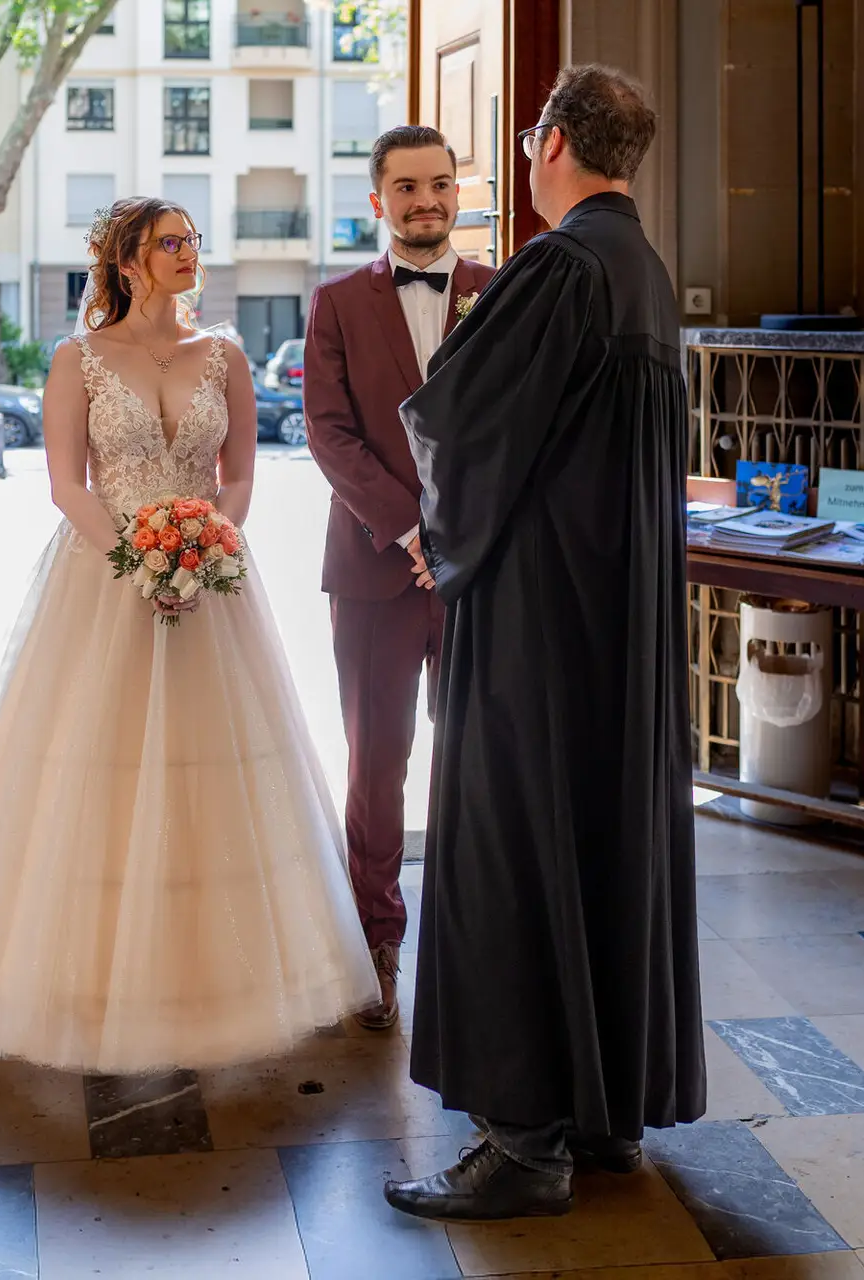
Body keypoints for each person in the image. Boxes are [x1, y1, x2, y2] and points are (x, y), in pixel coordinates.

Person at [0, 198, 377, 1072]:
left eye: (191, 241)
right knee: (97, 762)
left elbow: (238, 474)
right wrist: (144, 562)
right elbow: (68, 485)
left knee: (215, 766)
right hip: (105, 576)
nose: (187, 253)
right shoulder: (77, 359)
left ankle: (217, 967)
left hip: (211, 581)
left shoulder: (228, 356)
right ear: (126, 262)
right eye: (169, 243)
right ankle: (86, 967)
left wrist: (206, 548)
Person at [383, 65, 706, 1221]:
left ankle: (522, 1139)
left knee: (511, 843)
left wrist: (438, 533)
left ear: (557, 141)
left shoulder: (560, 265)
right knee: (600, 840)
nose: (525, 153)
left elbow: (463, 425)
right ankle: (601, 1111)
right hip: (616, 629)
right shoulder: (645, 271)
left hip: (536, 621)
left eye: (529, 135)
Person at [304, 125, 495, 1030]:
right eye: (407, 187)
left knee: (479, 761)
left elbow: (513, 427)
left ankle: (478, 948)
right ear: (377, 201)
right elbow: (329, 434)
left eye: (441, 184)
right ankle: (376, 941)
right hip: (374, 574)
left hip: (483, 576)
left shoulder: (502, 294)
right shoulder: (337, 302)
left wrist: (463, 528)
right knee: (376, 765)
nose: (427, 201)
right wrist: (409, 526)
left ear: (458, 193)